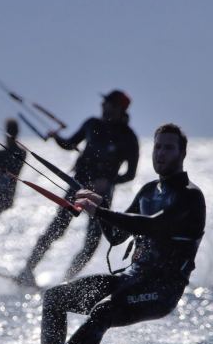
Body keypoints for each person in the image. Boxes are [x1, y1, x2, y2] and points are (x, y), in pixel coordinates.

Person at [38, 123, 205, 344]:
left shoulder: (190, 197)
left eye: (169, 148)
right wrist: (98, 204)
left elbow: (153, 226)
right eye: (158, 147)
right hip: (129, 280)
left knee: (104, 312)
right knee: (55, 299)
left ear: (182, 154)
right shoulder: (149, 191)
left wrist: (101, 211)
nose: (161, 153)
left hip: (162, 291)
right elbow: (117, 236)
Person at [16, 90, 138, 286]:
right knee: (56, 229)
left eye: (106, 103)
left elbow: (130, 174)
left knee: (91, 243)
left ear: (117, 108)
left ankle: (66, 281)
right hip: (78, 186)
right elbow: (69, 143)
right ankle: (26, 272)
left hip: (101, 197)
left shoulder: (128, 137)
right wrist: (56, 137)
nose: (102, 106)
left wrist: (109, 181)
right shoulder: (92, 124)